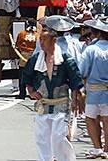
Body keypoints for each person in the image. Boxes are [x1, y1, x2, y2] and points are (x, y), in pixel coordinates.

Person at [22, 28, 84, 161]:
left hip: (61, 103)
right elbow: (26, 76)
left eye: (44, 39)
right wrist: (31, 91)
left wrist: (74, 100)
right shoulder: (35, 59)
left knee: (59, 137)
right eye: (40, 39)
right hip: (43, 104)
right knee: (42, 137)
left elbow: (75, 80)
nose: (41, 42)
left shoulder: (65, 59)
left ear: (54, 41)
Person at [78, 20, 108, 159]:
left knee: (90, 119)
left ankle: (97, 147)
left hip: (94, 91)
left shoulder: (90, 49)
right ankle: (107, 149)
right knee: (107, 120)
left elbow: (82, 71)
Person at [15, 19, 39, 99]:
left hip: (24, 56)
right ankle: (34, 93)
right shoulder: (38, 35)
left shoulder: (22, 33)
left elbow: (17, 44)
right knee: (34, 75)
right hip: (34, 56)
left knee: (22, 74)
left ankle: (22, 93)